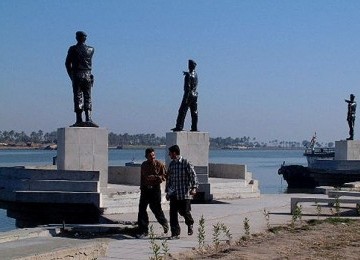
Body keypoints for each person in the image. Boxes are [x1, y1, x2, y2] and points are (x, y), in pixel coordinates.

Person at [65, 31, 98, 127]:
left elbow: (67, 64)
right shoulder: (91, 49)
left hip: (77, 74)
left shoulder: (73, 49)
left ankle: (79, 119)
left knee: (78, 97)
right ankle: (89, 118)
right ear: (85, 38)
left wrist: (71, 76)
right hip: (88, 75)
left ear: (77, 38)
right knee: (88, 96)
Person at [166, 145, 198, 239]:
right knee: (173, 214)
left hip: (184, 193)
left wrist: (194, 188)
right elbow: (170, 179)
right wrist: (168, 192)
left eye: (170, 153)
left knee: (184, 211)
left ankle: (190, 224)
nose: (169, 155)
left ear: (174, 153)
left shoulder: (185, 163)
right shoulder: (172, 165)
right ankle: (175, 233)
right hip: (174, 194)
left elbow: (193, 176)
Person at [137, 148, 169, 238]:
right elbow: (143, 178)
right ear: (146, 156)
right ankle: (143, 230)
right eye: (150, 156)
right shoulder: (144, 165)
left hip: (155, 189)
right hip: (145, 189)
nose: (152, 157)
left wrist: (156, 177)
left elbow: (165, 176)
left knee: (156, 208)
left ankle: (164, 223)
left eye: (153, 155)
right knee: (142, 209)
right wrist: (142, 187)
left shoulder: (160, 164)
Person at [171, 59, 199, 132]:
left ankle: (179, 126)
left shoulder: (188, 75)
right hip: (195, 95)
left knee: (182, 111)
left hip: (189, 95)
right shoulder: (195, 74)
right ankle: (194, 127)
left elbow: (187, 88)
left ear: (190, 66)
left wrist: (186, 98)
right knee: (194, 112)